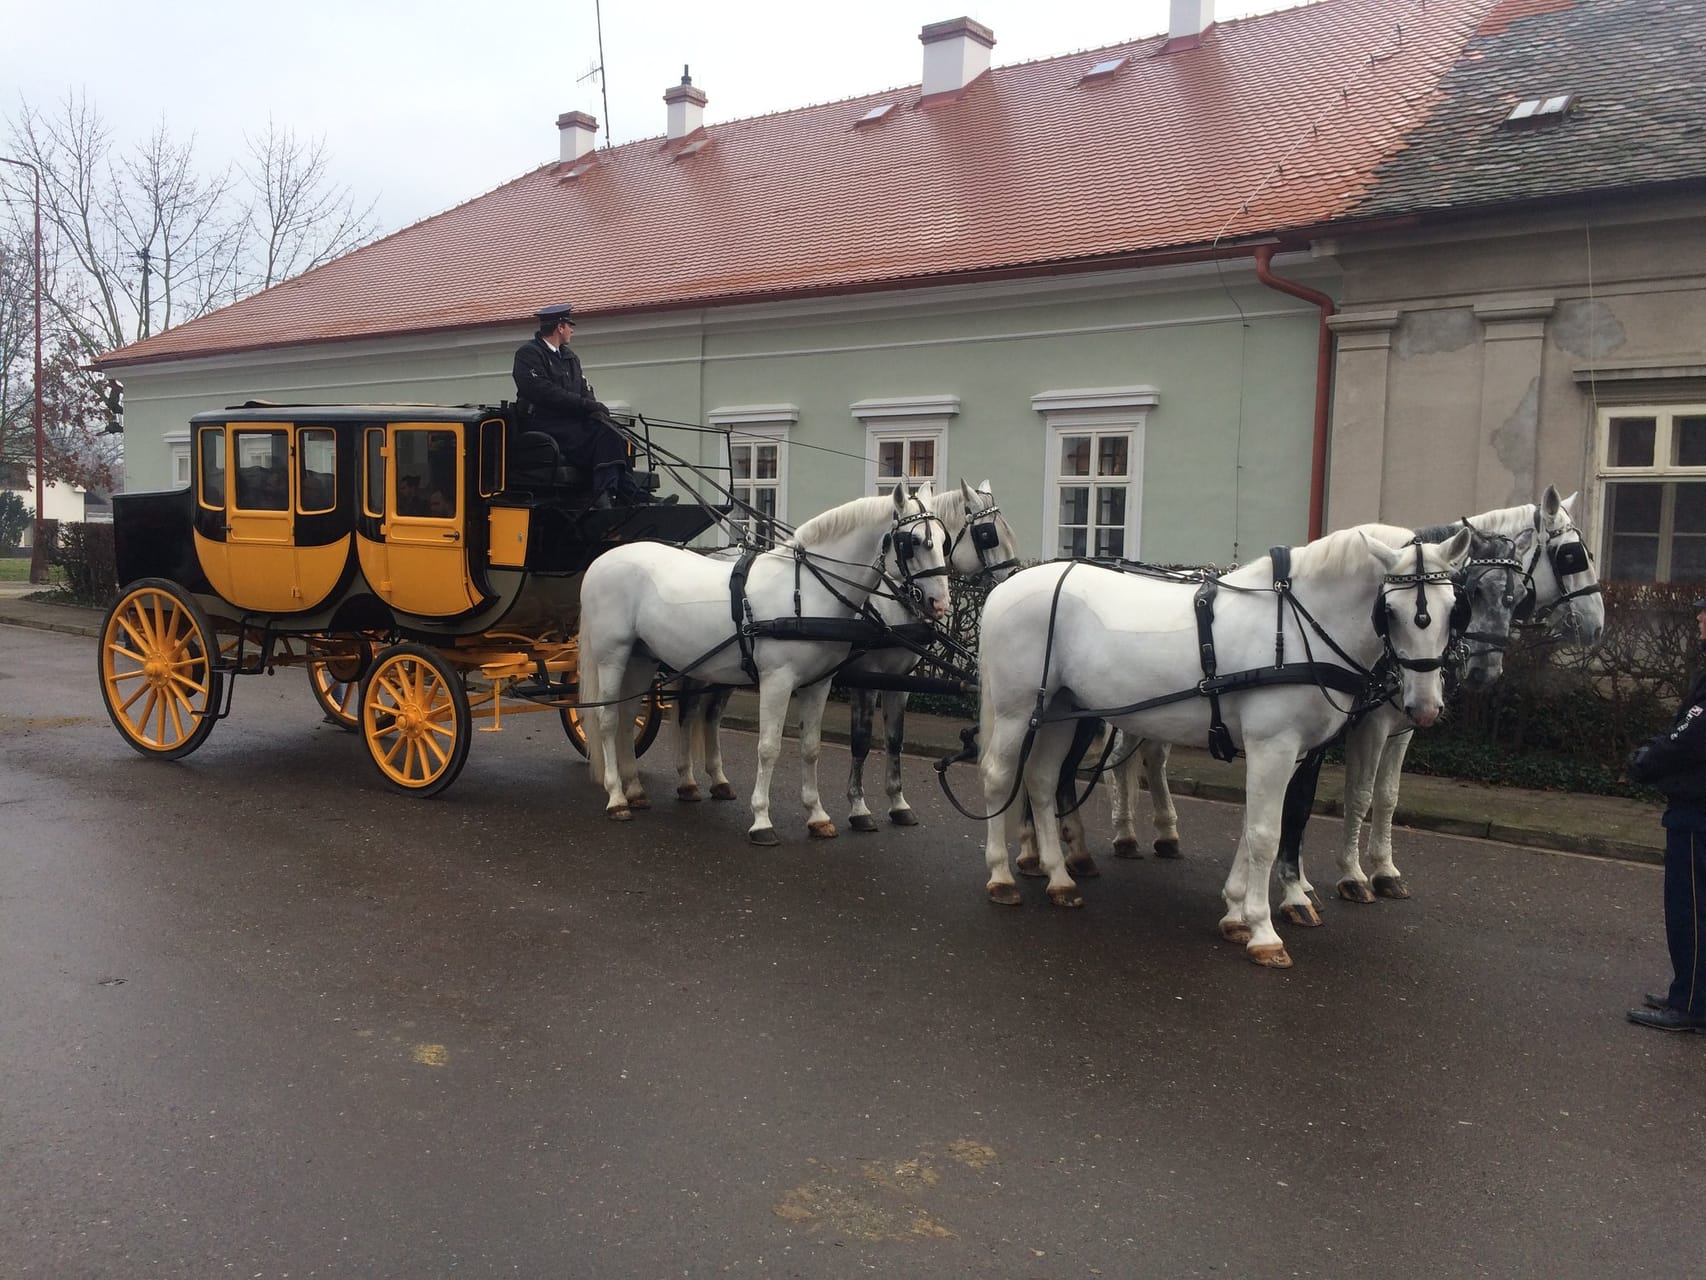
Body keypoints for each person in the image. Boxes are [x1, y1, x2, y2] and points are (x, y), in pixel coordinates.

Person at [1624, 597, 1706, 1033]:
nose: (1697, 617)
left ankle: (1690, 1004)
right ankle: (1692, 992)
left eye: (1704, 610)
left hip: (1696, 813)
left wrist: (1647, 759)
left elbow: (1688, 738)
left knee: (1689, 910)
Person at [511, 302, 659, 507]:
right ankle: (606, 493)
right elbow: (543, 392)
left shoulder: (570, 358)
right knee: (602, 434)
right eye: (569, 325)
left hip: (570, 423)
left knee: (610, 429)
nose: (572, 329)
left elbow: (584, 388)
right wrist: (585, 406)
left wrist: (594, 407)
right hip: (545, 423)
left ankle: (627, 491)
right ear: (559, 327)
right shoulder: (529, 354)